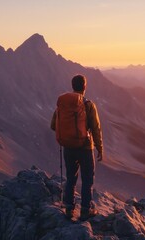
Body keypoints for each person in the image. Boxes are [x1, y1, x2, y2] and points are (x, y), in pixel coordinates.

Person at [50, 74, 103, 221]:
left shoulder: (63, 105)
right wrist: (100, 148)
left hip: (69, 147)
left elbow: (53, 125)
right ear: (84, 86)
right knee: (87, 179)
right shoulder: (88, 105)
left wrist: (68, 133)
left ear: (73, 86)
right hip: (86, 148)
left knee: (71, 178)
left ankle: (69, 208)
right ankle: (85, 210)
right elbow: (96, 128)